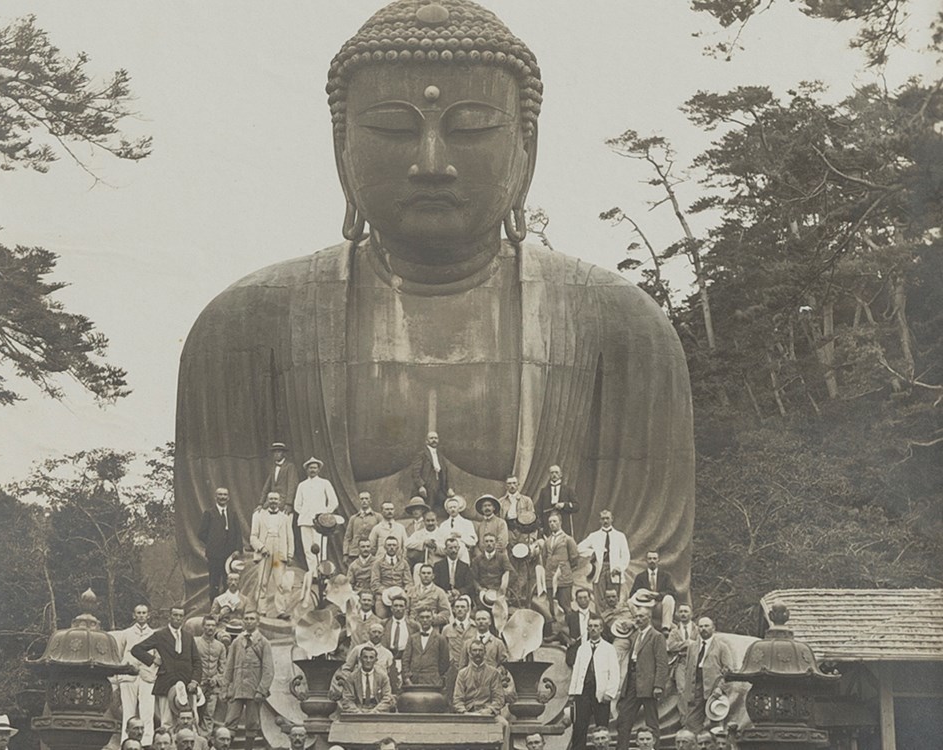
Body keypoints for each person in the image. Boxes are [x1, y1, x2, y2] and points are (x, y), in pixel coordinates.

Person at [175, 0, 695, 617]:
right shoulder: (243, 326)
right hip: (314, 641)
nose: (430, 162)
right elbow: (223, 570)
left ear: (526, 147)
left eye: (471, 128)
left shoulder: (619, 324)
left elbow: (642, 571)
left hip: (541, 643)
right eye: (393, 131)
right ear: (342, 147)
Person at [132, 605, 202, 728]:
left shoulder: (188, 637)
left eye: (181, 616)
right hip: (166, 684)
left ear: (183, 618)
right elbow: (137, 649)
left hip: (187, 685)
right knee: (167, 723)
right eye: (175, 615)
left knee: (191, 722)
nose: (178, 618)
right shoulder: (160, 635)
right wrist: (153, 659)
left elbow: (197, 661)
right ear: (170, 616)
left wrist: (194, 681)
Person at [614, 607, 668, 750]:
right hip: (632, 682)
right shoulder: (635, 636)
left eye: (642, 617)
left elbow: (662, 663)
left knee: (652, 723)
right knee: (623, 720)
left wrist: (658, 685)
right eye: (636, 617)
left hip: (649, 684)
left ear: (648, 618)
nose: (638, 619)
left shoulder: (657, 636)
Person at [223, 611, 274, 750]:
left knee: (252, 723)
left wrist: (261, 690)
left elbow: (268, 670)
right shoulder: (236, 642)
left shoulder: (263, 643)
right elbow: (229, 666)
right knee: (230, 721)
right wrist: (226, 687)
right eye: (246, 619)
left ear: (257, 622)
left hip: (254, 690)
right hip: (237, 688)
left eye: (252, 619)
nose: (249, 621)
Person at [567, 617, 620, 750]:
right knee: (580, 726)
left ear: (601, 629)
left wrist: (609, 693)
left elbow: (615, 673)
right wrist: (572, 692)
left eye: (596, 626)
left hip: (601, 692)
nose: (593, 629)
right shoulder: (582, 648)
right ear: (587, 628)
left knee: (602, 726)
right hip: (583, 691)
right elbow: (577, 670)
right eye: (590, 626)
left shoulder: (609, 648)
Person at [682, 617, 736, 732]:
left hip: (714, 690)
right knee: (691, 724)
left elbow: (729, 671)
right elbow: (687, 668)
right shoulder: (692, 647)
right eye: (700, 626)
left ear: (713, 628)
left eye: (706, 626)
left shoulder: (722, 647)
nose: (703, 629)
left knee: (716, 724)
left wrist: (720, 688)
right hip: (695, 689)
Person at [115, 603, 157, 747]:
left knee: (147, 711)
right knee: (128, 710)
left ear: (148, 615)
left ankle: (146, 743)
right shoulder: (126, 633)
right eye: (138, 613)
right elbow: (120, 654)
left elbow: (157, 656)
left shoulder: (153, 634)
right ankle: (126, 743)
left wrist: (153, 673)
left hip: (147, 676)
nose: (141, 615)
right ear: (134, 615)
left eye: (144, 613)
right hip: (128, 675)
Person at [578, 510, 631, 615]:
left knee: (614, 598)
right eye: (603, 519)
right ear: (599, 520)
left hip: (614, 570)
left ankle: (614, 623)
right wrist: (593, 552)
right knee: (600, 600)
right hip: (599, 570)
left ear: (612, 519)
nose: (605, 521)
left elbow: (625, 555)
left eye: (607, 518)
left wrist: (620, 568)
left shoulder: (620, 536)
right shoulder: (594, 536)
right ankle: (601, 625)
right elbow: (579, 548)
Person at [197, 487, 243, 608]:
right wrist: (213, 543)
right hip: (215, 555)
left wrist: (238, 549)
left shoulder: (232, 514)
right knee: (214, 584)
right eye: (220, 495)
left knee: (229, 584)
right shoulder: (209, 513)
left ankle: (229, 609)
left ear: (228, 497)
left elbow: (238, 533)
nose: (223, 497)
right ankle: (214, 610)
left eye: (225, 495)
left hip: (229, 556)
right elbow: (201, 533)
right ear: (215, 497)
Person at [293, 457, 338, 572]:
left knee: (321, 548)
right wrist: (305, 513)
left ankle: (322, 573)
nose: (312, 470)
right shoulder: (302, 485)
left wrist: (324, 515)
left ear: (318, 470)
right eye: (310, 468)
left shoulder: (324, 483)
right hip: (305, 521)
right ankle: (313, 573)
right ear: (307, 470)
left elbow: (334, 502)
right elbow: (297, 505)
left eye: (315, 468)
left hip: (320, 523)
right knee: (308, 549)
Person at [250, 491, 294, 608]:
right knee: (262, 582)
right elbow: (253, 537)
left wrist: (290, 555)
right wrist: (261, 548)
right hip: (265, 552)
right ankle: (261, 610)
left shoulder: (285, 518)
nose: (273, 501)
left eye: (275, 499)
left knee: (280, 583)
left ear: (279, 501)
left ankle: (281, 610)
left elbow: (290, 537)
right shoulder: (259, 516)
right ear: (267, 501)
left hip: (279, 552)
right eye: (271, 499)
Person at [541, 512, 579, 627]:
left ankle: (571, 631)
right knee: (552, 606)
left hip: (563, 577)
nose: (552, 524)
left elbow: (574, 558)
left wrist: (564, 568)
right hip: (549, 577)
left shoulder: (568, 539)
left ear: (560, 523)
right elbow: (544, 558)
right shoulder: (547, 541)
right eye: (550, 522)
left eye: (554, 521)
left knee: (565, 606)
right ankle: (557, 632)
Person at [629, 551, 678, 632]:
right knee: (630, 602)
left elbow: (672, 592)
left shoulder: (665, 576)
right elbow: (632, 594)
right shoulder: (640, 577)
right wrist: (642, 595)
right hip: (645, 607)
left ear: (658, 560)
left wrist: (658, 595)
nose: (652, 561)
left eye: (654, 558)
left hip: (660, 605)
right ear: (646, 561)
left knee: (669, 598)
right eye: (650, 558)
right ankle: (639, 624)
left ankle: (666, 627)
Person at [194, 615, 227, 735]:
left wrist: (216, 678)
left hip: (213, 687)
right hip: (197, 685)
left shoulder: (220, 646)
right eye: (208, 625)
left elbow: (223, 668)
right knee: (194, 714)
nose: (210, 628)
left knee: (209, 715)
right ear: (203, 627)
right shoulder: (195, 642)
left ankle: (206, 741)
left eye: (213, 625)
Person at [453, 639, 505, 715]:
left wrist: (489, 710)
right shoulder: (463, 673)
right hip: (468, 712)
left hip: (488, 712)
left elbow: (499, 698)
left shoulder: (493, 673)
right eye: (474, 650)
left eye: (480, 650)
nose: (477, 653)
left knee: (503, 724)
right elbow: (457, 698)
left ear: (485, 653)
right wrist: (464, 712)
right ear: (470, 653)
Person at [339, 645, 396, 713]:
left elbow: (387, 698)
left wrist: (374, 712)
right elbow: (347, 699)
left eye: (371, 658)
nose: (368, 660)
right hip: (358, 708)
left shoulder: (383, 677)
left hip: (377, 708)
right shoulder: (352, 678)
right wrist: (358, 713)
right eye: (365, 657)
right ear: (360, 659)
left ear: (376, 660)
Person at [668, 603, 699, 724]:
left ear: (691, 614)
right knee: (681, 690)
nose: (683, 614)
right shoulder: (674, 632)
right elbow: (671, 646)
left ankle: (694, 720)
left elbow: (700, 643)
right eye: (681, 612)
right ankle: (684, 720)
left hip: (695, 662)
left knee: (694, 690)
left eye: (686, 611)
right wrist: (687, 643)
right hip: (680, 662)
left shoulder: (697, 629)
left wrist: (691, 644)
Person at [401, 609, 449, 687]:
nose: (425, 620)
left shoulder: (440, 639)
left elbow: (444, 661)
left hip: (433, 682)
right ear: (418, 619)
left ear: (432, 619)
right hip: (414, 681)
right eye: (422, 617)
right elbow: (406, 659)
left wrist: (436, 675)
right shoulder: (412, 638)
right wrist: (407, 678)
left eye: (427, 617)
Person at [371, 536, 414, 618]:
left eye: (394, 545)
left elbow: (409, 582)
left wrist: (404, 591)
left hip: (400, 594)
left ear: (397, 547)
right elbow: (374, 583)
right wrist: (386, 592)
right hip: (383, 594)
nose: (391, 547)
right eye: (389, 545)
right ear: (385, 547)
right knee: (381, 617)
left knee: (405, 616)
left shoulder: (404, 563)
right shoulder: (378, 563)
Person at [411, 431, 450, 512]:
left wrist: (449, 487)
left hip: (439, 485)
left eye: (436, 438)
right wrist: (421, 486)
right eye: (431, 438)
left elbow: (445, 472)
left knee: (448, 504)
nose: (434, 440)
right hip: (427, 486)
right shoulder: (422, 454)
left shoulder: (440, 455)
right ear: (426, 441)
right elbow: (415, 472)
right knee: (428, 507)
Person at [537, 465, 579, 537]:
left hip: (564, 522)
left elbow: (577, 506)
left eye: (556, 472)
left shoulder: (568, 490)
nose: (554, 475)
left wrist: (564, 505)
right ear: (549, 475)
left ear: (561, 474)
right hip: (548, 523)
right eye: (552, 473)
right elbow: (539, 509)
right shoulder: (544, 491)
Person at [406, 563, 452, 628]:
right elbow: (405, 609)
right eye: (423, 573)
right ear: (419, 575)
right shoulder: (411, 591)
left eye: (428, 573)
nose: (426, 575)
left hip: (431, 626)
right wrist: (409, 621)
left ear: (433, 576)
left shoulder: (439, 592)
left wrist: (432, 619)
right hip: (412, 626)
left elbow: (446, 612)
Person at [344, 491, 382, 563]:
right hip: (355, 553)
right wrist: (345, 553)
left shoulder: (377, 517)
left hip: (372, 553)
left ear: (370, 500)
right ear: (359, 501)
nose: (364, 501)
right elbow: (347, 537)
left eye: (366, 499)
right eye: (362, 499)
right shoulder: (353, 518)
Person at [470, 532, 513, 596]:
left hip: (498, 591)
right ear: (483, 543)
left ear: (495, 543)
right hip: (483, 592)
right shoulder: (477, 560)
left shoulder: (502, 558)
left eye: (491, 541)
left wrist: (503, 586)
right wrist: (479, 588)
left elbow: (509, 573)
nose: (489, 544)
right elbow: (474, 578)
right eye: (486, 541)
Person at [564, 587, 598, 667]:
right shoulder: (570, 617)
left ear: (590, 599)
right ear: (576, 600)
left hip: (593, 653)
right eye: (580, 598)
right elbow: (562, 633)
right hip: (575, 654)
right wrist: (568, 640)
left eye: (585, 597)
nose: (583, 600)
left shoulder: (596, 617)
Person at [437, 496, 477, 563]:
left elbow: (473, 541)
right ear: (447, 510)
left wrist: (461, 536)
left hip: (463, 555)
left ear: (459, 508)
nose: (453, 509)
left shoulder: (467, 523)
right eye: (450, 507)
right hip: (447, 556)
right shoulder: (443, 525)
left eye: (454, 507)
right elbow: (440, 541)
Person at [433, 537, 474, 601]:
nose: (454, 551)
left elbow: (469, 585)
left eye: (455, 547)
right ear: (445, 550)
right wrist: (444, 593)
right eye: (450, 548)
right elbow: (435, 584)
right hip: (443, 595)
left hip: (460, 596)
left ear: (458, 548)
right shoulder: (438, 566)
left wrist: (459, 592)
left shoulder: (464, 566)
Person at [259, 441, 299, 506]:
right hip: (272, 501)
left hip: (283, 501)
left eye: (279, 452)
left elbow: (292, 486)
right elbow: (266, 486)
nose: (276, 454)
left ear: (283, 453)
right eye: (274, 452)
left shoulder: (290, 466)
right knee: (258, 513)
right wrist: (260, 503)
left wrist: (289, 503)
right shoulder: (273, 468)